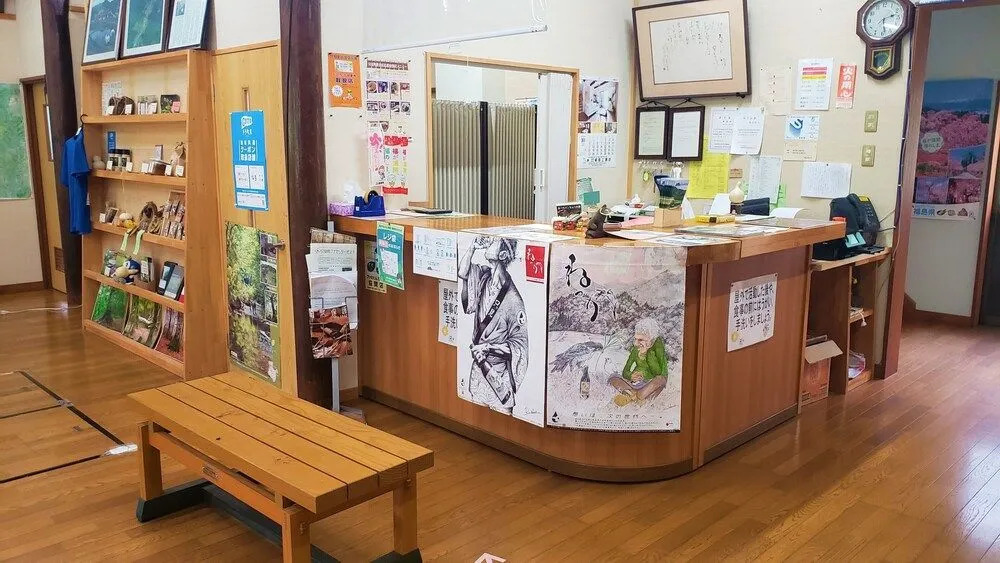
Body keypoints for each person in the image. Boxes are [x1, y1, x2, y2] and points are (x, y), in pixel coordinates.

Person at [458, 235, 528, 412]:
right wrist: (472, 247)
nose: (489, 241)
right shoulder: (484, 277)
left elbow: (519, 346)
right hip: (478, 369)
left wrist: (488, 348)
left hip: (498, 375)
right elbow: (462, 273)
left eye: (494, 241)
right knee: (475, 418)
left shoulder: (513, 300)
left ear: (503, 254)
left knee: (503, 422)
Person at [609, 318, 667, 406]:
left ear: (651, 339)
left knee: (660, 379)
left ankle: (632, 396)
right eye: (635, 339)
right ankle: (635, 396)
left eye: (640, 340)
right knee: (613, 377)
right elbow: (625, 371)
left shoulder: (657, 346)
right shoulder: (636, 349)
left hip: (650, 383)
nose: (636, 343)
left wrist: (647, 355)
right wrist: (631, 376)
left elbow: (658, 372)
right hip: (635, 383)